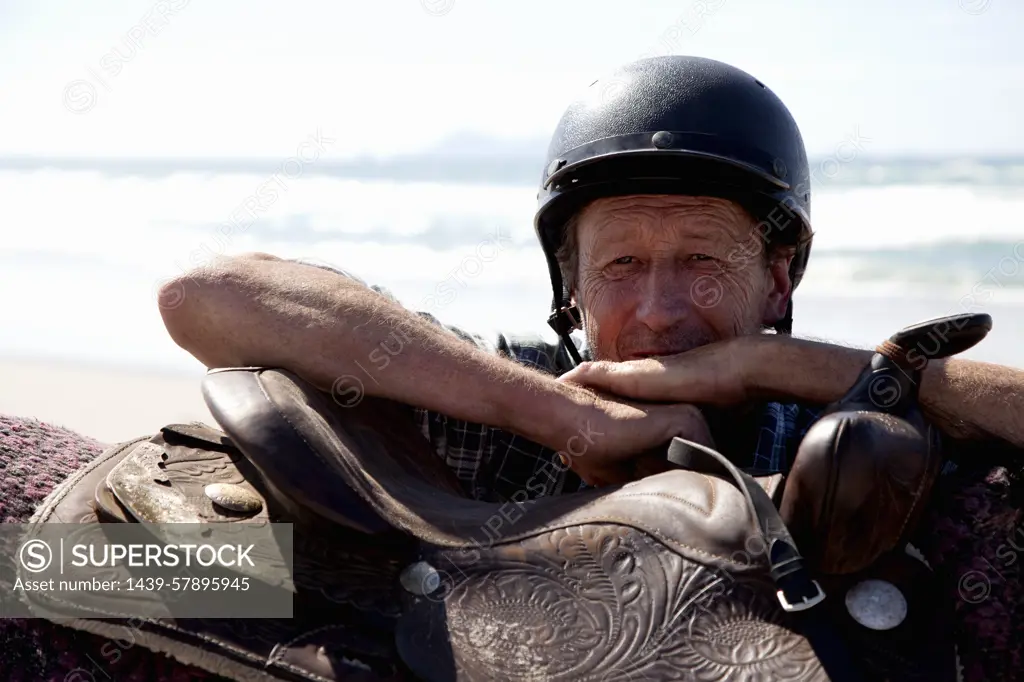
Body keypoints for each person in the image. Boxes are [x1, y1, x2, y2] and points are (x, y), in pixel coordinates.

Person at [1, 54, 1022, 680]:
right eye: (621, 264)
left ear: (778, 272)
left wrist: (792, 366)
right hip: (424, 589)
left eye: (704, 261)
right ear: (568, 285)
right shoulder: (500, 397)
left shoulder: (845, 427)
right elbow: (205, 296)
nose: (659, 308)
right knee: (50, 569)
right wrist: (563, 419)